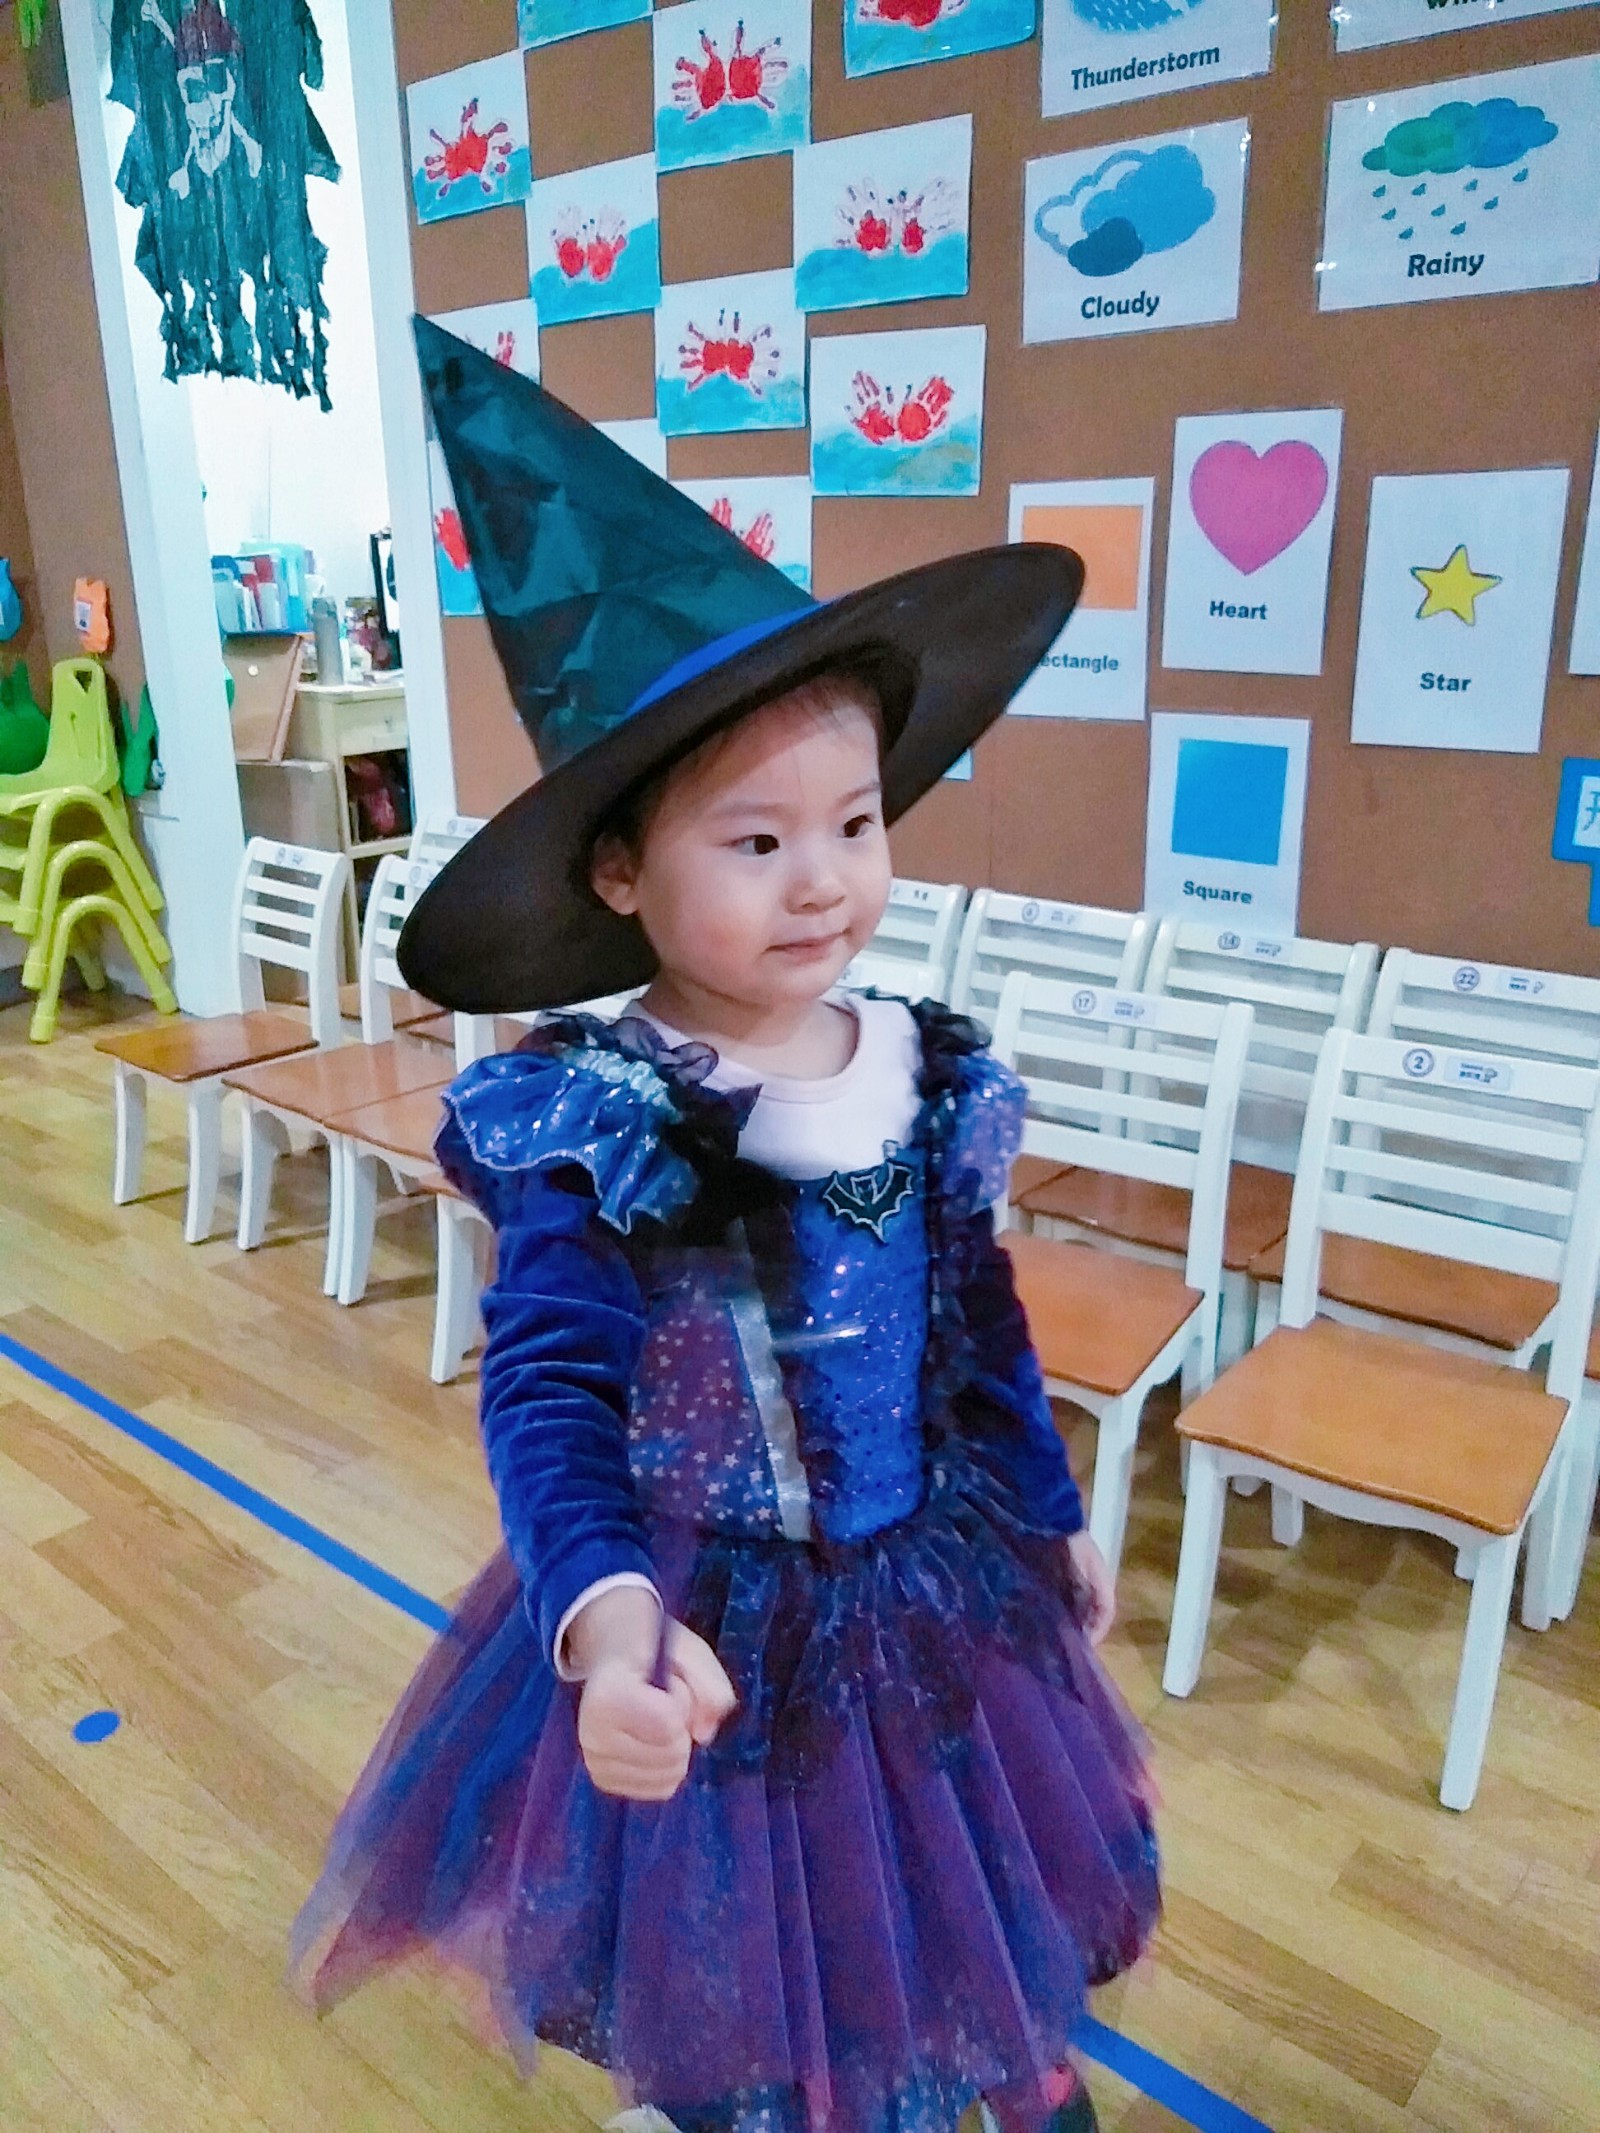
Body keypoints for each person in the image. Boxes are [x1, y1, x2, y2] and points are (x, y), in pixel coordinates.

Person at [290, 323, 1159, 2133]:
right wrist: (607, 1623)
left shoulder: (922, 1069)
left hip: (934, 1599)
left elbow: (977, 1324)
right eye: (755, 843)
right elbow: (546, 1392)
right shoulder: (600, 1111)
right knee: (758, 1993)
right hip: (713, 1639)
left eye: (854, 820)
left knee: (960, 1944)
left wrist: (1048, 1507)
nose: (825, 877)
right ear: (621, 871)